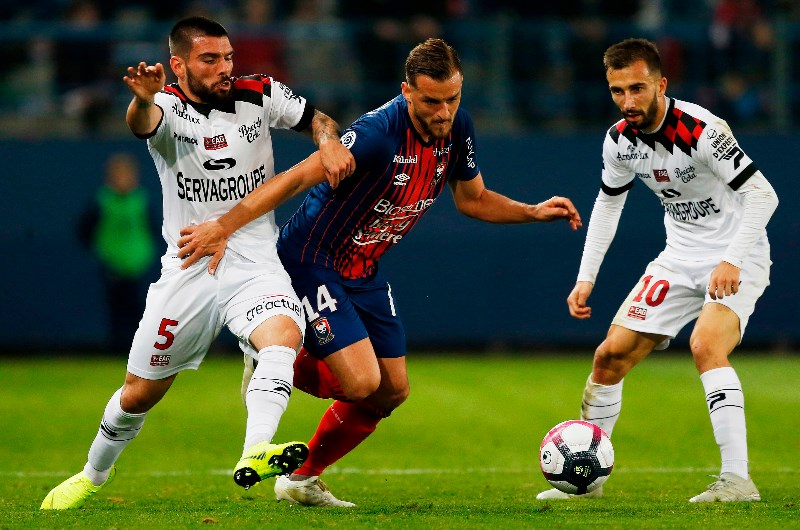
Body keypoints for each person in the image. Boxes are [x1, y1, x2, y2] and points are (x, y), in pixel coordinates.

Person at [176, 38, 583, 507]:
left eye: (453, 99)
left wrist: (530, 211)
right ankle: (269, 355)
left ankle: (301, 480)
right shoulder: (376, 134)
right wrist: (222, 226)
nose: (444, 111)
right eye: (432, 101)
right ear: (407, 91)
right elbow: (293, 179)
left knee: (391, 392)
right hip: (312, 259)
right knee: (361, 384)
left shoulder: (458, 128)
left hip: (363, 269)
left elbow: (472, 199)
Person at [41, 15, 354, 510]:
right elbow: (142, 123)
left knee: (282, 339)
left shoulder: (261, 92)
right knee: (138, 394)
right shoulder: (166, 107)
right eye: (210, 59)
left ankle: (257, 451)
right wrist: (143, 98)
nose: (225, 68)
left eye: (228, 57)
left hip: (253, 261)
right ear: (179, 65)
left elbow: (318, 118)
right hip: (189, 268)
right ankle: (91, 474)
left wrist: (329, 140)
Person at [535, 38, 778, 502]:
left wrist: (731, 259)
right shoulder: (618, 141)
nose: (628, 101)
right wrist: (586, 277)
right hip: (679, 255)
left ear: (661, 84)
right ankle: (587, 483)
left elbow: (763, 195)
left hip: (737, 253)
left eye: (638, 88)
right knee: (609, 357)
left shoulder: (701, 129)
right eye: (617, 90)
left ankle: (737, 480)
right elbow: (608, 205)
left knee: (705, 344)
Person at [77, 152, 159, 352]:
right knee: (116, 310)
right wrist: (103, 254)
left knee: (140, 310)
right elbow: (84, 231)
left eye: (127, 174)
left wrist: (145, 254)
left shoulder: (141, 200)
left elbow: (154, 229)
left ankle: (141, 350)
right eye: (118, 175)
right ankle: (117, 350)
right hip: (112, 266)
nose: (123, 179)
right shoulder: (102, 201)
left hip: (140, 265)